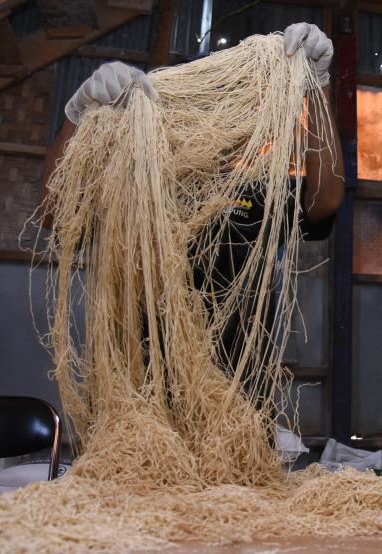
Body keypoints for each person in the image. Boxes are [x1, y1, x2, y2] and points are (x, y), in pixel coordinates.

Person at [39, 23, 344, 396]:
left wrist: (316, 85)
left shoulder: (260, 191)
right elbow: (55, 213)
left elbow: (324, 200)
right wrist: (77, 114)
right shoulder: (137, 185)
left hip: (238, 397)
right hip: (139, 398)